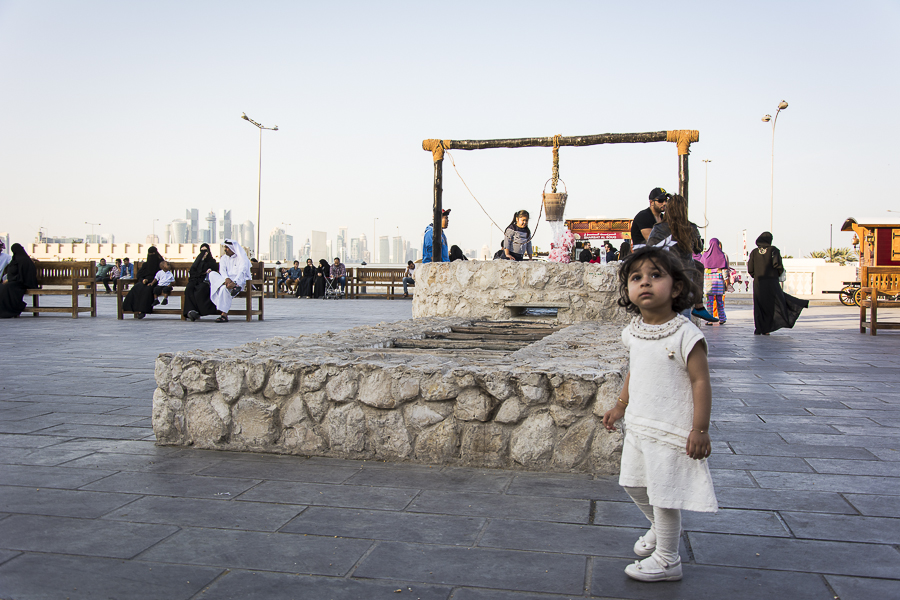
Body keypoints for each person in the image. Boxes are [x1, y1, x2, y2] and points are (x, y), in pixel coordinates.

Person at [602, 246, 716, 583]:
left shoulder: (685, 335)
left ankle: (667, 559)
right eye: (636, 278)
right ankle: (660, 528)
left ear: (676, 287)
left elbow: (700, 381)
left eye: (655, 275)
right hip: (639, 425)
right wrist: (620, 405)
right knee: (633, 483)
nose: (645, 283)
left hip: (670, 429)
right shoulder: (634, 332)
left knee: (664, 496)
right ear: (628, 290)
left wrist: (700, 429)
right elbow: (635, 371)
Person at [647, 194, 717, 323]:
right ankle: (699, 307)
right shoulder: (691, 227)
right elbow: (698, 248)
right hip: (685, 275)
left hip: (664, 275)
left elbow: (650, 249)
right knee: (684, 318)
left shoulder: (658, 228)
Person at [747, 232, 809, 335]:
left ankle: (759, 328)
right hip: (771, 281)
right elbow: (777, 264)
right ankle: (767, 328)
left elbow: (750, 269)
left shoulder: (754, 252)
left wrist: (757, 276)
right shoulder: (773, 250)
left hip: (759, 282)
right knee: (774, 302)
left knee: (759, 305)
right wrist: (777, 274)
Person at [207, 239, 251, 322]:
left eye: (227, 247)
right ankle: (228, 285)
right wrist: (226, 279)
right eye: (225, 247)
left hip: (238, 282)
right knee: (212, 274)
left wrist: (234, 282)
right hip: (225, 281)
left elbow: (242, 273)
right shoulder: (224, 258)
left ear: (232, 248)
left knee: (224, 289)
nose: (225, 249)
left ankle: (224, 315)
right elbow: (222, 271)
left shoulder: (242, 258)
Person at [123, 246, 163, 319]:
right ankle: (132, 308)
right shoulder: (145, 265)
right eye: (150, 254)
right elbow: (139, 275)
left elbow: (163, 275)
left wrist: (153, 281)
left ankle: (143, 311)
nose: (151, 256)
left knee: (147, 290)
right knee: (136, 288)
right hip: (145, 281)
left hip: (155, 282)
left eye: (153, 254)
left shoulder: (160, 264)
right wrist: (143, 280)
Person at [0, 243, 39, 318]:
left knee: (5, 288)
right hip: (15, 282)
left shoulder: (24, 261)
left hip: (22, 283)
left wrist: (10, 280)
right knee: (3, 287)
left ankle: (9, 310)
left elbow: (23, 275)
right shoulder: (16, 259)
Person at [698, 238, 729, 325]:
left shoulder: (705, 255)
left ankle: (709, 320)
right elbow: (724, 271)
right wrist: (726, 282)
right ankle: (722, 318)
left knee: (709, 302)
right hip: (719, 282)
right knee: (720, 301)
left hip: (708, 282)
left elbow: (701, 268)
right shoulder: (721, 255)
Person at [185, 243, 219, 321]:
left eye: (205, 251)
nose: (204, 253)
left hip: (205, 281)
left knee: (201, 289)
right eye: (202, 250)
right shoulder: (198, 261)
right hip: (196, 280)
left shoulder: (212, 261)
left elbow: (214, 271)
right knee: (189, 288)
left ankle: (200, 312)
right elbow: (193, 271)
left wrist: (208, 271)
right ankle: (190, 311)